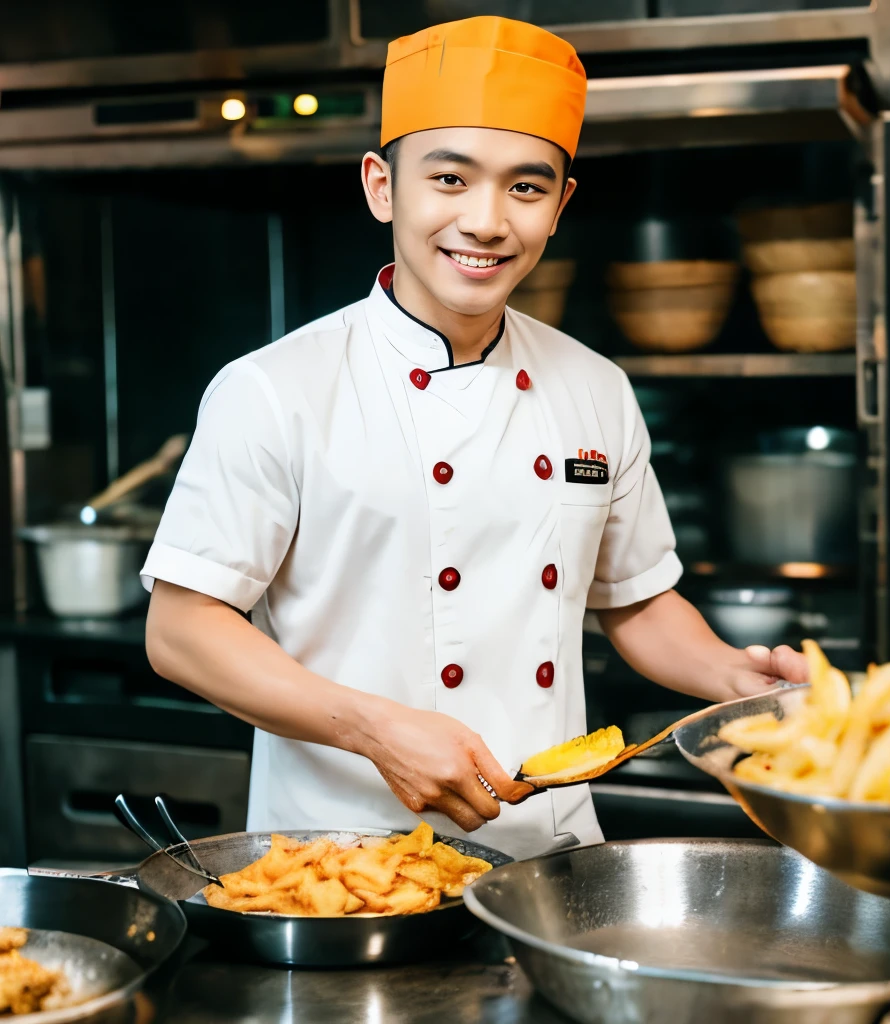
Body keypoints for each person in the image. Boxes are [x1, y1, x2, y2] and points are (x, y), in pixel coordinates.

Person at [142, 15, 807, 860]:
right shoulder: (275, 389)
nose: (487, 221)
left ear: (560, 206)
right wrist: (376, 728)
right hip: (342, 859)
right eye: (450, 179)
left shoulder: (595, 386)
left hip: (552, 851)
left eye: (525, 188)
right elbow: (182, 629)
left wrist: (732, 680)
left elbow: (632, 597)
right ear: (383, 187)